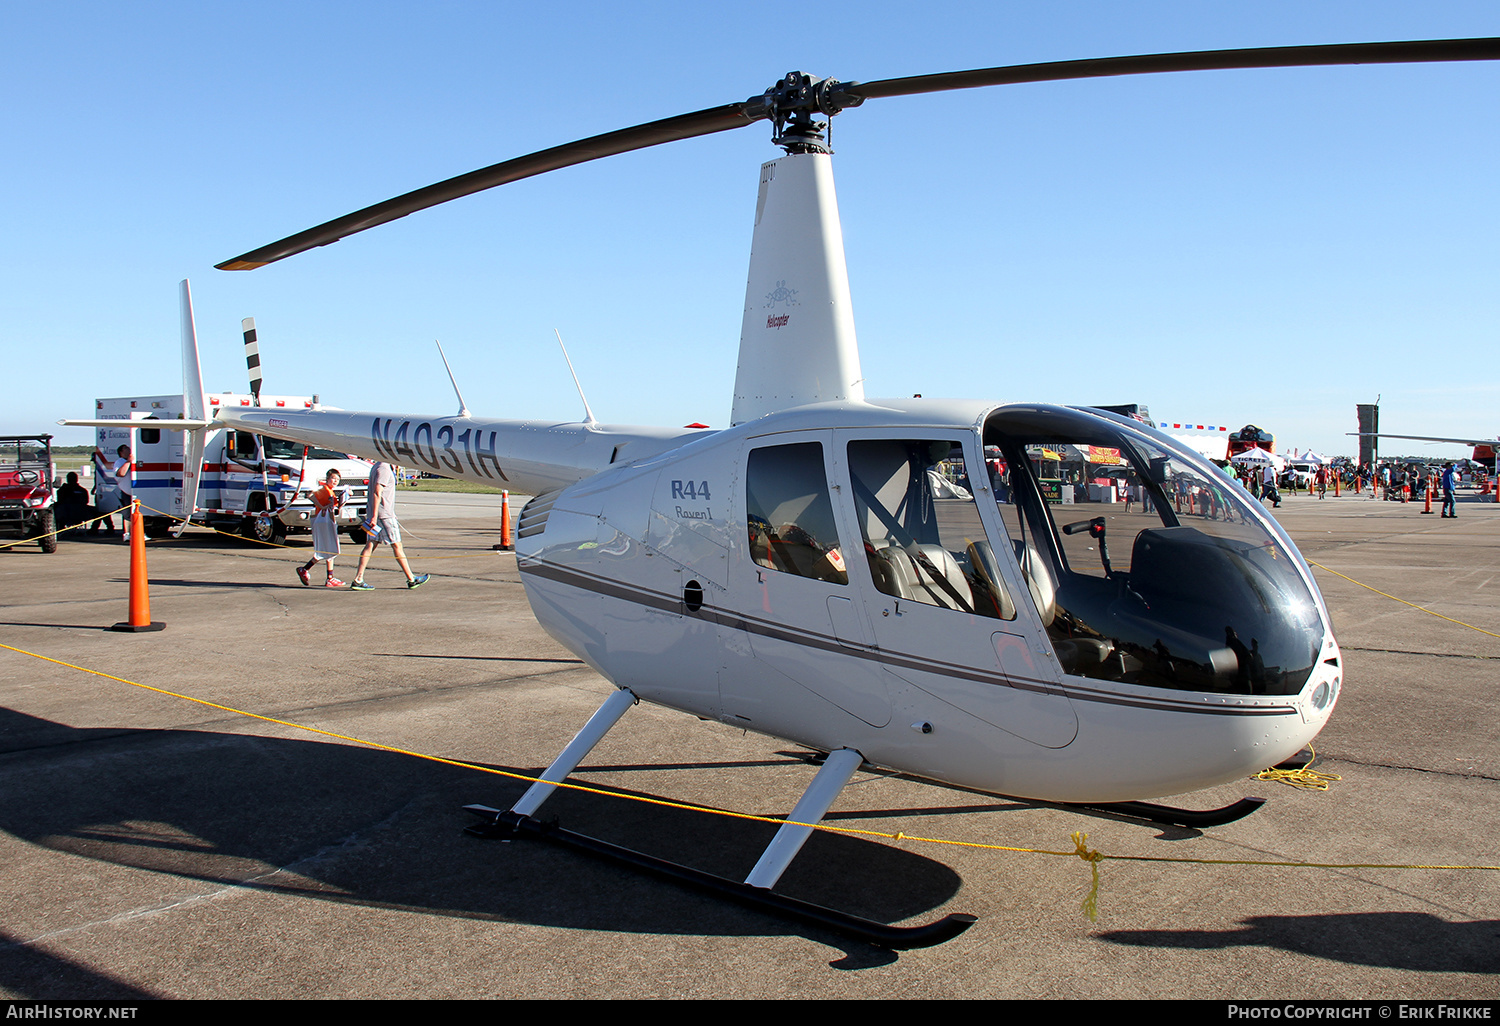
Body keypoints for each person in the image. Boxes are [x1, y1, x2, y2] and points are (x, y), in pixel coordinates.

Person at [349, 461, 429, 591]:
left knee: (370, 545)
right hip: (384, 515)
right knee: (397, 545)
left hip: (377, 514)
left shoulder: (377, 466)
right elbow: (377, 492)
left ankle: (358, 578)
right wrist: (374, 516)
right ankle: (411, 579)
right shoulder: (384, 468)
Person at [297, 470, 347, 587]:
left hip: (328, 521)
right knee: (328, 549)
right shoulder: (324, 490)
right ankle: (307, 570)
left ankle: (328, 576)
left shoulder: (331, 492)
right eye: (333, 478)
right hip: (323, 521)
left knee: (328, 550)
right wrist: (321, 506)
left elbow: (334, 507)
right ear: (327, 479)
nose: (335, 481)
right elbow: (310, 495)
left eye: (337, 479)